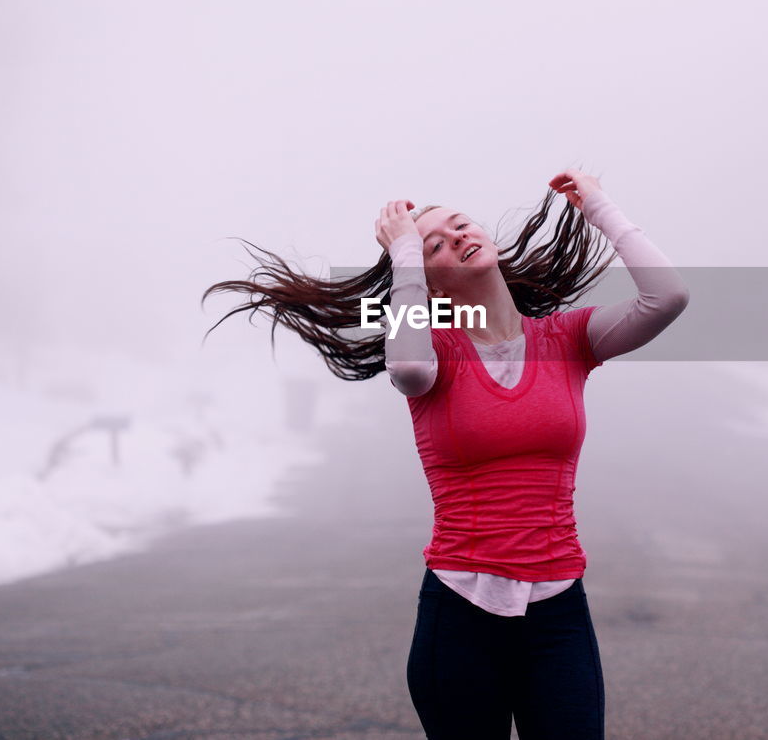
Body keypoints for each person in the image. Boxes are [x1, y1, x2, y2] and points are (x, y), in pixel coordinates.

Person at [202, 169, 688, 739]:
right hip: (461, 616)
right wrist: (403, 252)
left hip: (559, 613)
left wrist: (598, 206)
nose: (455, 236)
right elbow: (407, 371)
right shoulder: (429, 348)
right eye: (435, 244)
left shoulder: (568, 340)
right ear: (426, 283)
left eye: (460, 225)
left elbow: (668, 297)